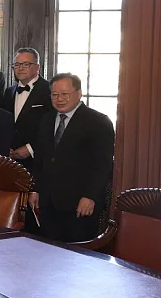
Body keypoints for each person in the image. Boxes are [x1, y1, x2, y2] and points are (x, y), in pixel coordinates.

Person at [29, 73, 115, 243]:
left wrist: (90, 196)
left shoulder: (98, 122)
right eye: (55, 94)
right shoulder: (47, 119)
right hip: (48, 203)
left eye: (64, 94)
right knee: (47, 252)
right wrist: (35, 189)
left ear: (79, 93)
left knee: (76, 257)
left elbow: (103, 165)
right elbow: (40, 159)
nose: (59, 99)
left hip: (79, 203)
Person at [4, 48, 52, 175]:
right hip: (10, 160)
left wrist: (30, 148)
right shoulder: (9, 92)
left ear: (37, 67)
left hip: (38, 160)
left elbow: (53, 125)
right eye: (17, 64)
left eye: (26, 64)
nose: (21, 68)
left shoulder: (50, 91)